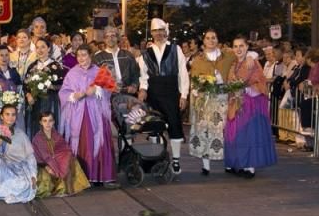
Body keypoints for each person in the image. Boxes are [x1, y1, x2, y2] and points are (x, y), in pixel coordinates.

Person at [139, 18, 190, 174]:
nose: (158, 34)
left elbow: (183, 73)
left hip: (171, 92)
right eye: (155, 31)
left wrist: (184, 95)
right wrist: (143, 89)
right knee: (154, 126)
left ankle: (175, 160)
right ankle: (157, 157)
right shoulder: (145, 53)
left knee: (174, 125)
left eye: (161, 30)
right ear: (152, 33)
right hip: (153, 94)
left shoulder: (176, 49)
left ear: (165, 31)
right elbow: (143, 76)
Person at [59, 45, 116, 185]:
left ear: (90, 56)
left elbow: (109, 91)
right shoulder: (72, 73)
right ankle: (81, 176)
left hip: (96, 114)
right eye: (79, 56)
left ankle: (100, 175)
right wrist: (74, 95)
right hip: (79, 115)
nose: (81, 58)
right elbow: (63, 92)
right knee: (82, 143)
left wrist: (97, 90)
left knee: (98, 141)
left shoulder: (100, 72)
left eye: (84, 55)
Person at [224, 36, 277, 178]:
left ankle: (249, 166)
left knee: (248, 135)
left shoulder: (252, 63)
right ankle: (238, 163)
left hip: (250, 105)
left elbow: (260, 81)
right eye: (235, 46)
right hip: (235, 104)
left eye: (241, 46)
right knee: (236, 135)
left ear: (247, 47)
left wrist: (246, 89)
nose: (238, 49)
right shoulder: (233, 64)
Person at [187, 30, 236, 174]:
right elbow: (195, 81)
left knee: (224, 131)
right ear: (204, 41)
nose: (211, 40)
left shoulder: (228, 56)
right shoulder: (198, 60)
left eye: (214, 38)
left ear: (218, 40)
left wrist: (253, 56)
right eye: (208, 38)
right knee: (204, 131)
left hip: (222, 99)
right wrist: (196, 91)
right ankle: (205, 165)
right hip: (205, 100)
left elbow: (242, 56)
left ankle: (229, 163)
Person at [33, 110, 89, 197]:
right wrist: (48, 167)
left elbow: (65, 150)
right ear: (40, 122)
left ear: (54, 122)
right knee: (47, 178)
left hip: (58, 162)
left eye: (50, 121)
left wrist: (65, 161)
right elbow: (39, 157)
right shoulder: (38, 138)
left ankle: (69, 189)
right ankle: (61, 188)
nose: (47, 124)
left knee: (71, 161)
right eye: (45, 121)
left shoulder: (56, 135)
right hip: (44, 165)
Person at [93, 27, 140, 96]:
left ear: (117, 38)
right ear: (104, 39)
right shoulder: (98, 58)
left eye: (113, 35)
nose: (110, 39)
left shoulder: (128, 55)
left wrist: (134, 85)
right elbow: (95, 78)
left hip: (128, 94)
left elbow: (136, 73)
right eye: (107, 36)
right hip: (107, 96)